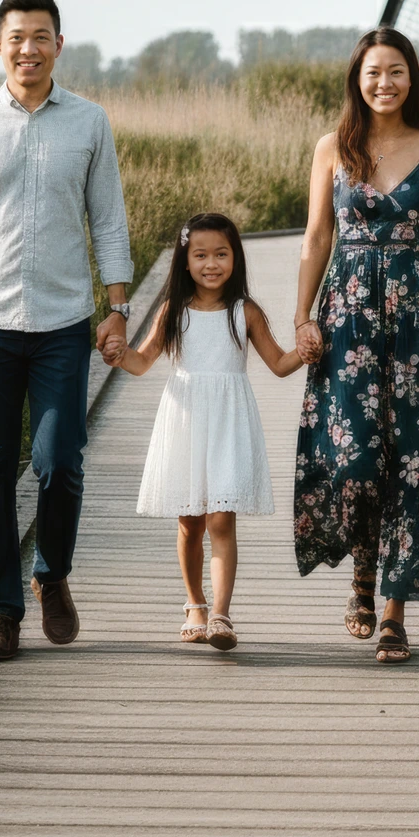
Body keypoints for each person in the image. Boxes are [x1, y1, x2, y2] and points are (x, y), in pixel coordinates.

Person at [0, 0, 133, 662]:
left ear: (58, 45)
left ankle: (52, 575)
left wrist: (119, 309)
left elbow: (109, 218)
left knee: (59, 462)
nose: (28, 49)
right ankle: (1, 611)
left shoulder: (90, 123)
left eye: (41, 37)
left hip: (64, 321)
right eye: (16, 37)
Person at [291, 27, 419, 662]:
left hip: (418, 317)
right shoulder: (331, 148)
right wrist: (302, 314)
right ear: (357, 79)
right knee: (352, 456)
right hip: (346, 317)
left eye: (396, 71)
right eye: (373, 72)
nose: (384, 83)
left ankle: (395, 612)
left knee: (413, 458)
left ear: (412, 78)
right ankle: (361, 575)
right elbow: (317, 236)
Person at [112, 212, 304, 651]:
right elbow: (141, 362)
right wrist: (117, 355)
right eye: (200, 255)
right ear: (185, 260)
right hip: (186, 422)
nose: (211, 263)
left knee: (221, 518)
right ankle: (194, 603)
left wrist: (308, 351)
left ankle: (221, 612)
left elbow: (278, 364)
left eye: (221, 253)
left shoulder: (245, 311)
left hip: (228, 425)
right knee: (189, 522)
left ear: (235, 256)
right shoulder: (173, 311)